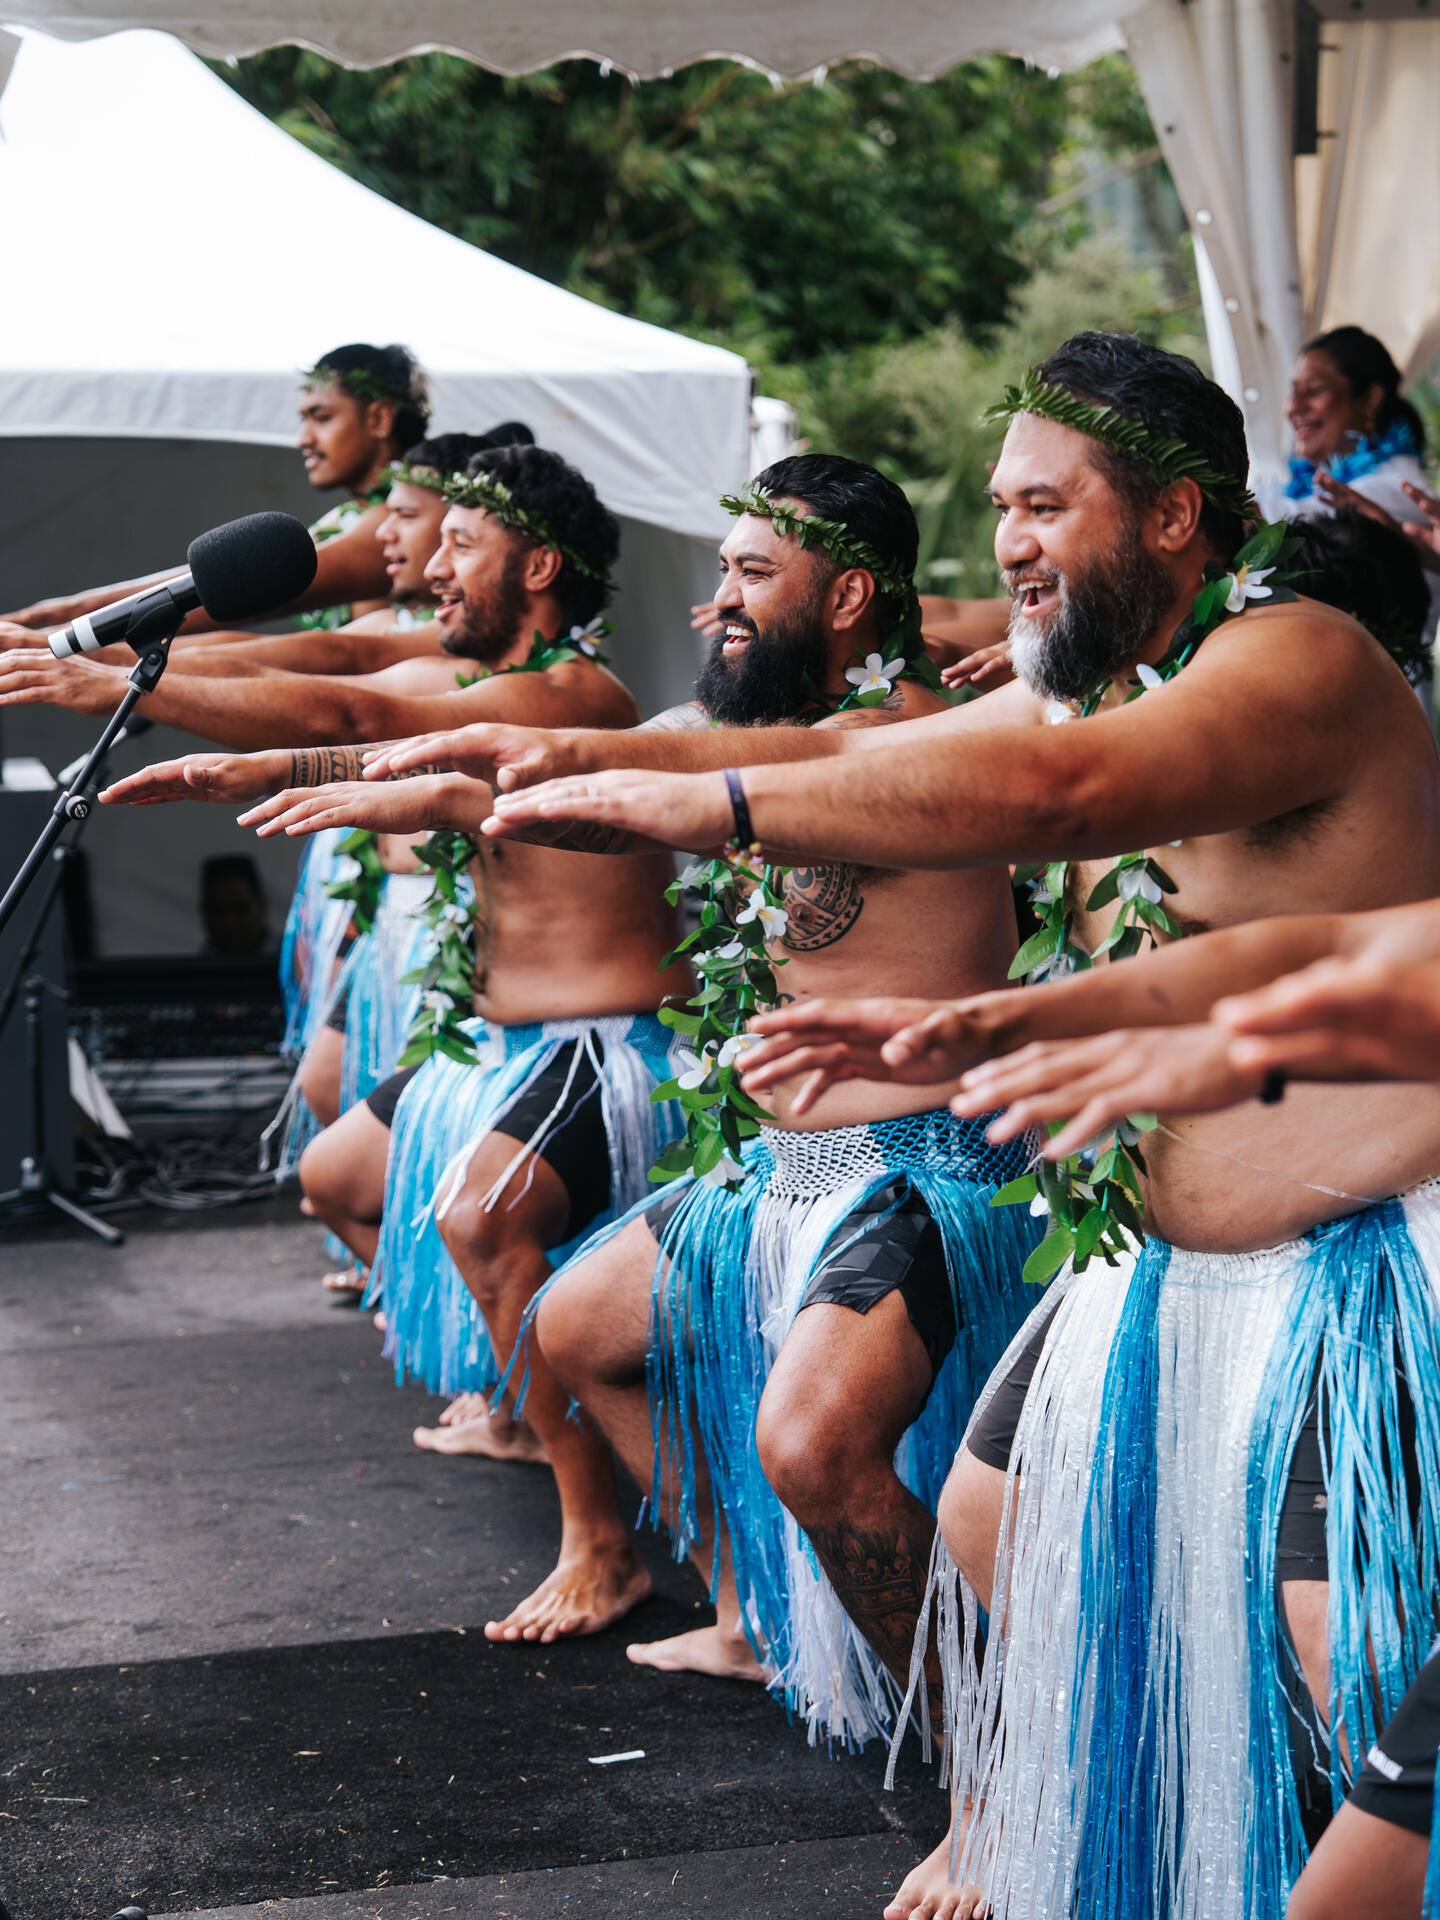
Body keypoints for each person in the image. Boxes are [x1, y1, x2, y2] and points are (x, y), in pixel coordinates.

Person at [459, 331, 1440, 1920]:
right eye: (1001, 507)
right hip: (1155, 1276)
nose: (1010, 543)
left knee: (1352, 1655)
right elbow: (850, 753)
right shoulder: (1107, 687)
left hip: (1348, 1267)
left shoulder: (1301, 659)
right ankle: (1094, 1824)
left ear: (1175, 515)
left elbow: (1066, 800)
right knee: (987, 1522)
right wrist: (574, 758)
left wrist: (710, 806)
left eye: (1046, 505)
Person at [432, 453, 1041, 1741]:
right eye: (722, 569)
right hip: (780, 1166)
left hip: (924, 1163)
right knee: (578, 1328)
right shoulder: (767, 723)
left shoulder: (901, 736)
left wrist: (524, 772)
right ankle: (754, 1611)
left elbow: (681, 778)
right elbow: (616, 765)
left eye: (754, 573)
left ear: (849, 595)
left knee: (815, 1445)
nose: (721, 600)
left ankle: (984, 1743)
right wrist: (374, 772)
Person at [104, 443, 694, 1644]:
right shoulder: (501, 689)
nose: (430, 567)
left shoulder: (576, 698)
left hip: (601, 1050)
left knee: (479, 1220)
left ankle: (600, 1541)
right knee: (337, 1173)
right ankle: (531, 1406)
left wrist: (150, 697)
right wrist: (241, 766)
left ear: (539, 567)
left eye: (460, 544)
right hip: (501, 1045)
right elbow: (394, 744)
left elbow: (376, 724)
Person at [0, 344, 436, 638]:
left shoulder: (400, 520)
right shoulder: (357, 516)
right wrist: (67, 618)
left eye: (321, 417)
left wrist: (65, 623)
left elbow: (230, 588)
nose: (304, 439)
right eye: (303, 420)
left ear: (379, 418)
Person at [199, 853, 275, 957]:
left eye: (239, 909)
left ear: (261, 906)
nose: (228, 921)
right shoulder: (196, 964)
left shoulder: (293, 961)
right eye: (218, 911)